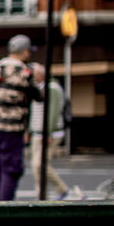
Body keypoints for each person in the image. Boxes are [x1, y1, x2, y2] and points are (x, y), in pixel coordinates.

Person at [0, 35, 42, 202]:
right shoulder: (24, 72)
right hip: (13, 129)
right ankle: (4, 214)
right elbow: (39, 96)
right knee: (11, 169)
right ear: (25, 52)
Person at [28, 66, 72, 201]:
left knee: (39, 165)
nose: (31, 76)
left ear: (41, 74)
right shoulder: (39, 88)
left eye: (33, 73)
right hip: (37, 132)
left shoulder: (52, 88)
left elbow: (53, 111)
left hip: (48, 133)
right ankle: (42, 195)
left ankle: (60, 190)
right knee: (37, 167)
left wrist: (49, 131)